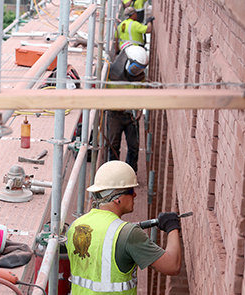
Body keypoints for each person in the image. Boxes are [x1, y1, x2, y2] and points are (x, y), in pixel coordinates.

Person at [66, 161, 182, 294]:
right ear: (117, 198)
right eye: (131, 190)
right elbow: (172, 266)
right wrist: (171, 226)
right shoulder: (128, 234)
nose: (135, 195)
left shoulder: (75, 226)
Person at [105, 45, 149, 173]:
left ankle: (130, 172)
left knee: (134, 146)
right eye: (135, 68)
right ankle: (113, 173)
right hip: (114, 115)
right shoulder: (110, 73)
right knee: (113, 145)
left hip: (130, 116)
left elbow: (141, 93)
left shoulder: (139, 77)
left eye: (140, 69)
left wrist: (139, 109)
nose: (136, 72)